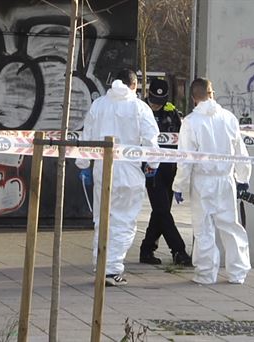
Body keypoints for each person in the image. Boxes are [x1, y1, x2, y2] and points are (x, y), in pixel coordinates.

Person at [75, 69, 160, 287]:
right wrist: (153, 165)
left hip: (102, 167)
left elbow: (87, 136)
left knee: (102, 219)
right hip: (129, 171)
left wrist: (83, 165)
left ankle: (100, 266)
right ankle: (112, 270)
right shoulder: (139, 107)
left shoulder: (99, 104)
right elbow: (151, 140)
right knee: (125, 221)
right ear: (134, 85)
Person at [172, 77, 252, 285]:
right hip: (226, 180)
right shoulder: (229, 118)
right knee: (230, 226)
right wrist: (243, 178)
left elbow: (185, 158)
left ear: (193, 98)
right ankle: (237, 272)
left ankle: (206, 273)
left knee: (203, 228)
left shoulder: (190, 122)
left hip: (202, 181)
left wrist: (179, 185)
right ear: (212, 93)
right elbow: (240, 152)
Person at [139, 79, 192, 266]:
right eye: (153, 99)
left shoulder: (172, 112)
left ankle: (147, 249)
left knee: (161, 211)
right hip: (151, 168)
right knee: (162, 210)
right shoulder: (141, 110)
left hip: (169, 167)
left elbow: (182, 140)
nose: (155, 104)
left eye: (160, 101)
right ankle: (179, 250)